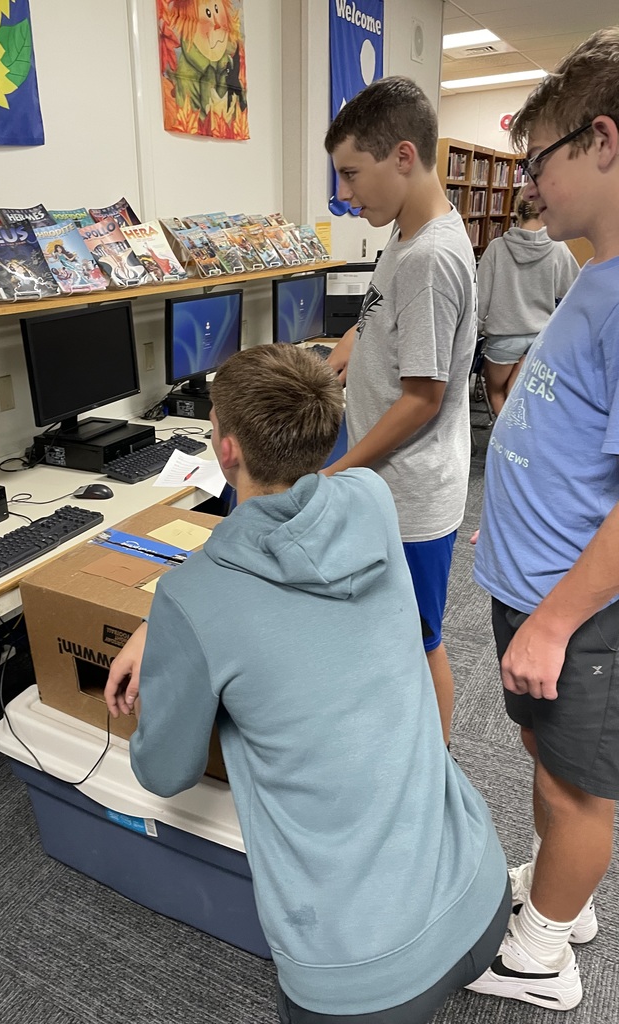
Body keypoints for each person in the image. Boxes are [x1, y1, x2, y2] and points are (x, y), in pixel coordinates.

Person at [106, 343, 509, 1024]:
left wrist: (175, 620)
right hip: (480, 888)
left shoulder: (196, 598)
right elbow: (281, 541)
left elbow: (165, 773)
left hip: (365, 978)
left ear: (225, 449)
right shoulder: (371, 497)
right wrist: (172, 618)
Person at [470, 26, 619, 1012]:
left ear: (601, 141)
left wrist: (559, 618)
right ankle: (563, 897)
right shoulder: (591, 270)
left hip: (576, 611)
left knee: (580, 791)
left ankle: (542, 956)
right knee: (545, 758)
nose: (528, 183)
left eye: (538, 160)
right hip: (534, 583)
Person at [323, 76, 477, 744]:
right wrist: (329, 363)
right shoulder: (406, 235)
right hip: (388, 481)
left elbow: (422, 398)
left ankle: (433, 770)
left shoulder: (431, 259)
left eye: (352, 174)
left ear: (403, 157)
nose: (345, 192)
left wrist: (338, 473)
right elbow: (373, 320)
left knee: (420, 639)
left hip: (412, 495)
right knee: (389, 629)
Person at [477, 189, 578, 415]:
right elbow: (574, 290)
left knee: (496, 394)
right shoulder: (557, 248)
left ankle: (503, 433)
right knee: (521, 398)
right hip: (540, 339)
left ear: (516, 210)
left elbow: (480, 298)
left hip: (503, 339)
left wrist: (479, 329)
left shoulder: (497, 248)